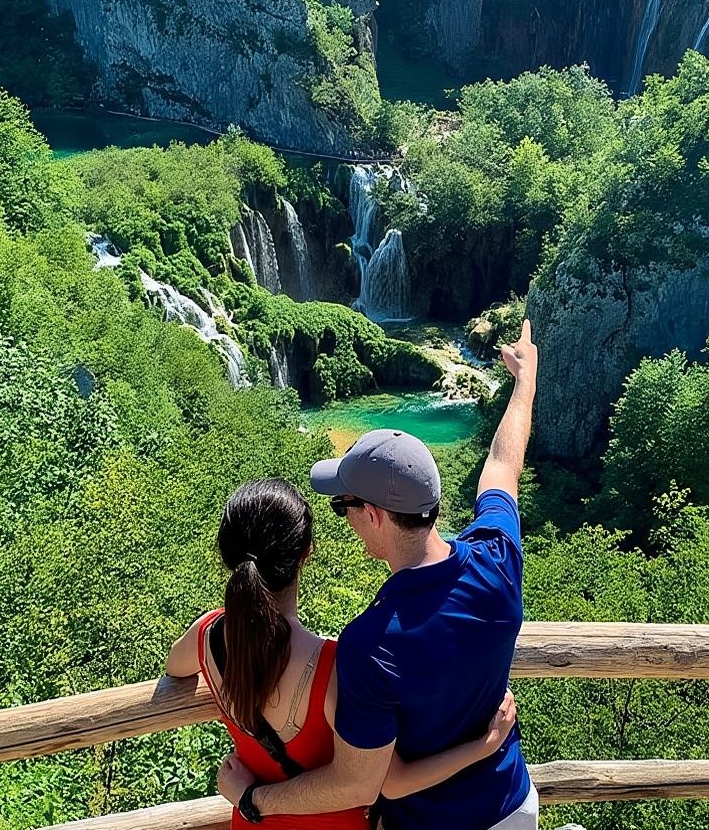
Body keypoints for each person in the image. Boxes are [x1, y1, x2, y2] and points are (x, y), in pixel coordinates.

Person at [218, 320, 540, 829]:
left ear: (373, 515)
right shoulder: (498, 560)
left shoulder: (369, 646)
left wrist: (253, 799)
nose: (343, 519)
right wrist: (525, 383)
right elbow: (503, 464)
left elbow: (370, 783)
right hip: (512, 806)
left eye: (343, 506)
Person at [165, 478, 520, 830]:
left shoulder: (206, 635)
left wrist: (247, 796)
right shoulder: (334, 665)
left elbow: (174, 668)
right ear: (306, 554)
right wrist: (483, 745)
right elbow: (381, 783)